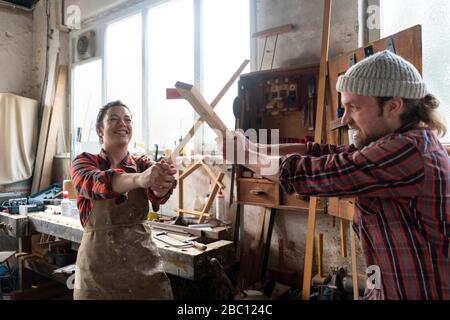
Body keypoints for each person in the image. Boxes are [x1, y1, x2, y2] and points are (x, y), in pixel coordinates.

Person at [229, 50, 449, 300]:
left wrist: (245, 156)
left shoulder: (408, 151)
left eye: (353, 107)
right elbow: (321, 152)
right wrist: (251, 147)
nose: (345, 120)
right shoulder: (395, 143)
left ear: (393, 106)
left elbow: (308, 174)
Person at [70, 100, 177, 300]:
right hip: (97, 272)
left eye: (127, 119)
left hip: (143, 268)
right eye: (114, 119)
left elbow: (159, 195)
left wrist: (162, 182)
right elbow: (94, 182)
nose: (123, 124)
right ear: (100, 130)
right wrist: (140, 179)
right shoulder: (83, 162)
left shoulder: (143, 163)